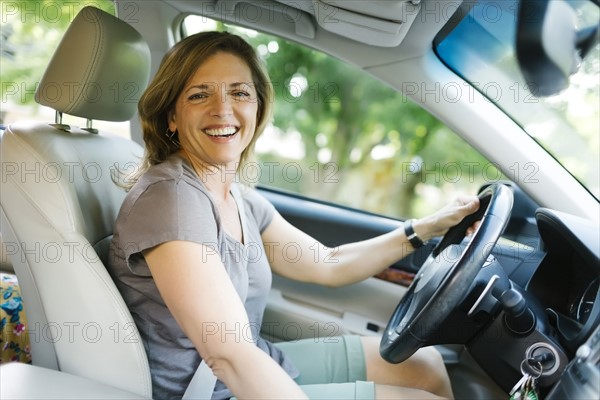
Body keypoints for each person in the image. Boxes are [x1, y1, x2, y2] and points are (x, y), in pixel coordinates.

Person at [108, 31, 480, 400]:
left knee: (424, 365)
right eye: (199, 95)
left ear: (258, 108)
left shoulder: (238, 197)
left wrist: (428, 228)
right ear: (172, 116)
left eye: (239, 93)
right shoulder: (171, 199)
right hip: (208, 391)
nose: (222, 109)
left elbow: (328, 263)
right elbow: (227, 353)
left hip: (247, 363)